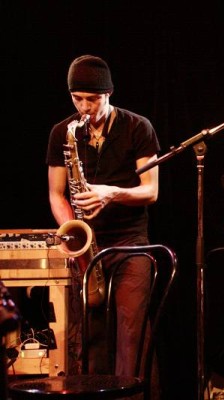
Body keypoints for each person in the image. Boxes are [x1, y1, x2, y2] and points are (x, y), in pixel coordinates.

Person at [46, 55, 160, 378]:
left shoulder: (137, 127)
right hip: (89, 249)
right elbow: (56, 193)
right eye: (77, 99)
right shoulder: (62, 133)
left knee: (130, 336)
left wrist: (111, 193)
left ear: (109, 93)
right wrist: (75, 231)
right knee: (90, 339)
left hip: (130, 245)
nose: (85, 108)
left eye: (93, 100)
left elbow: (151, 191)